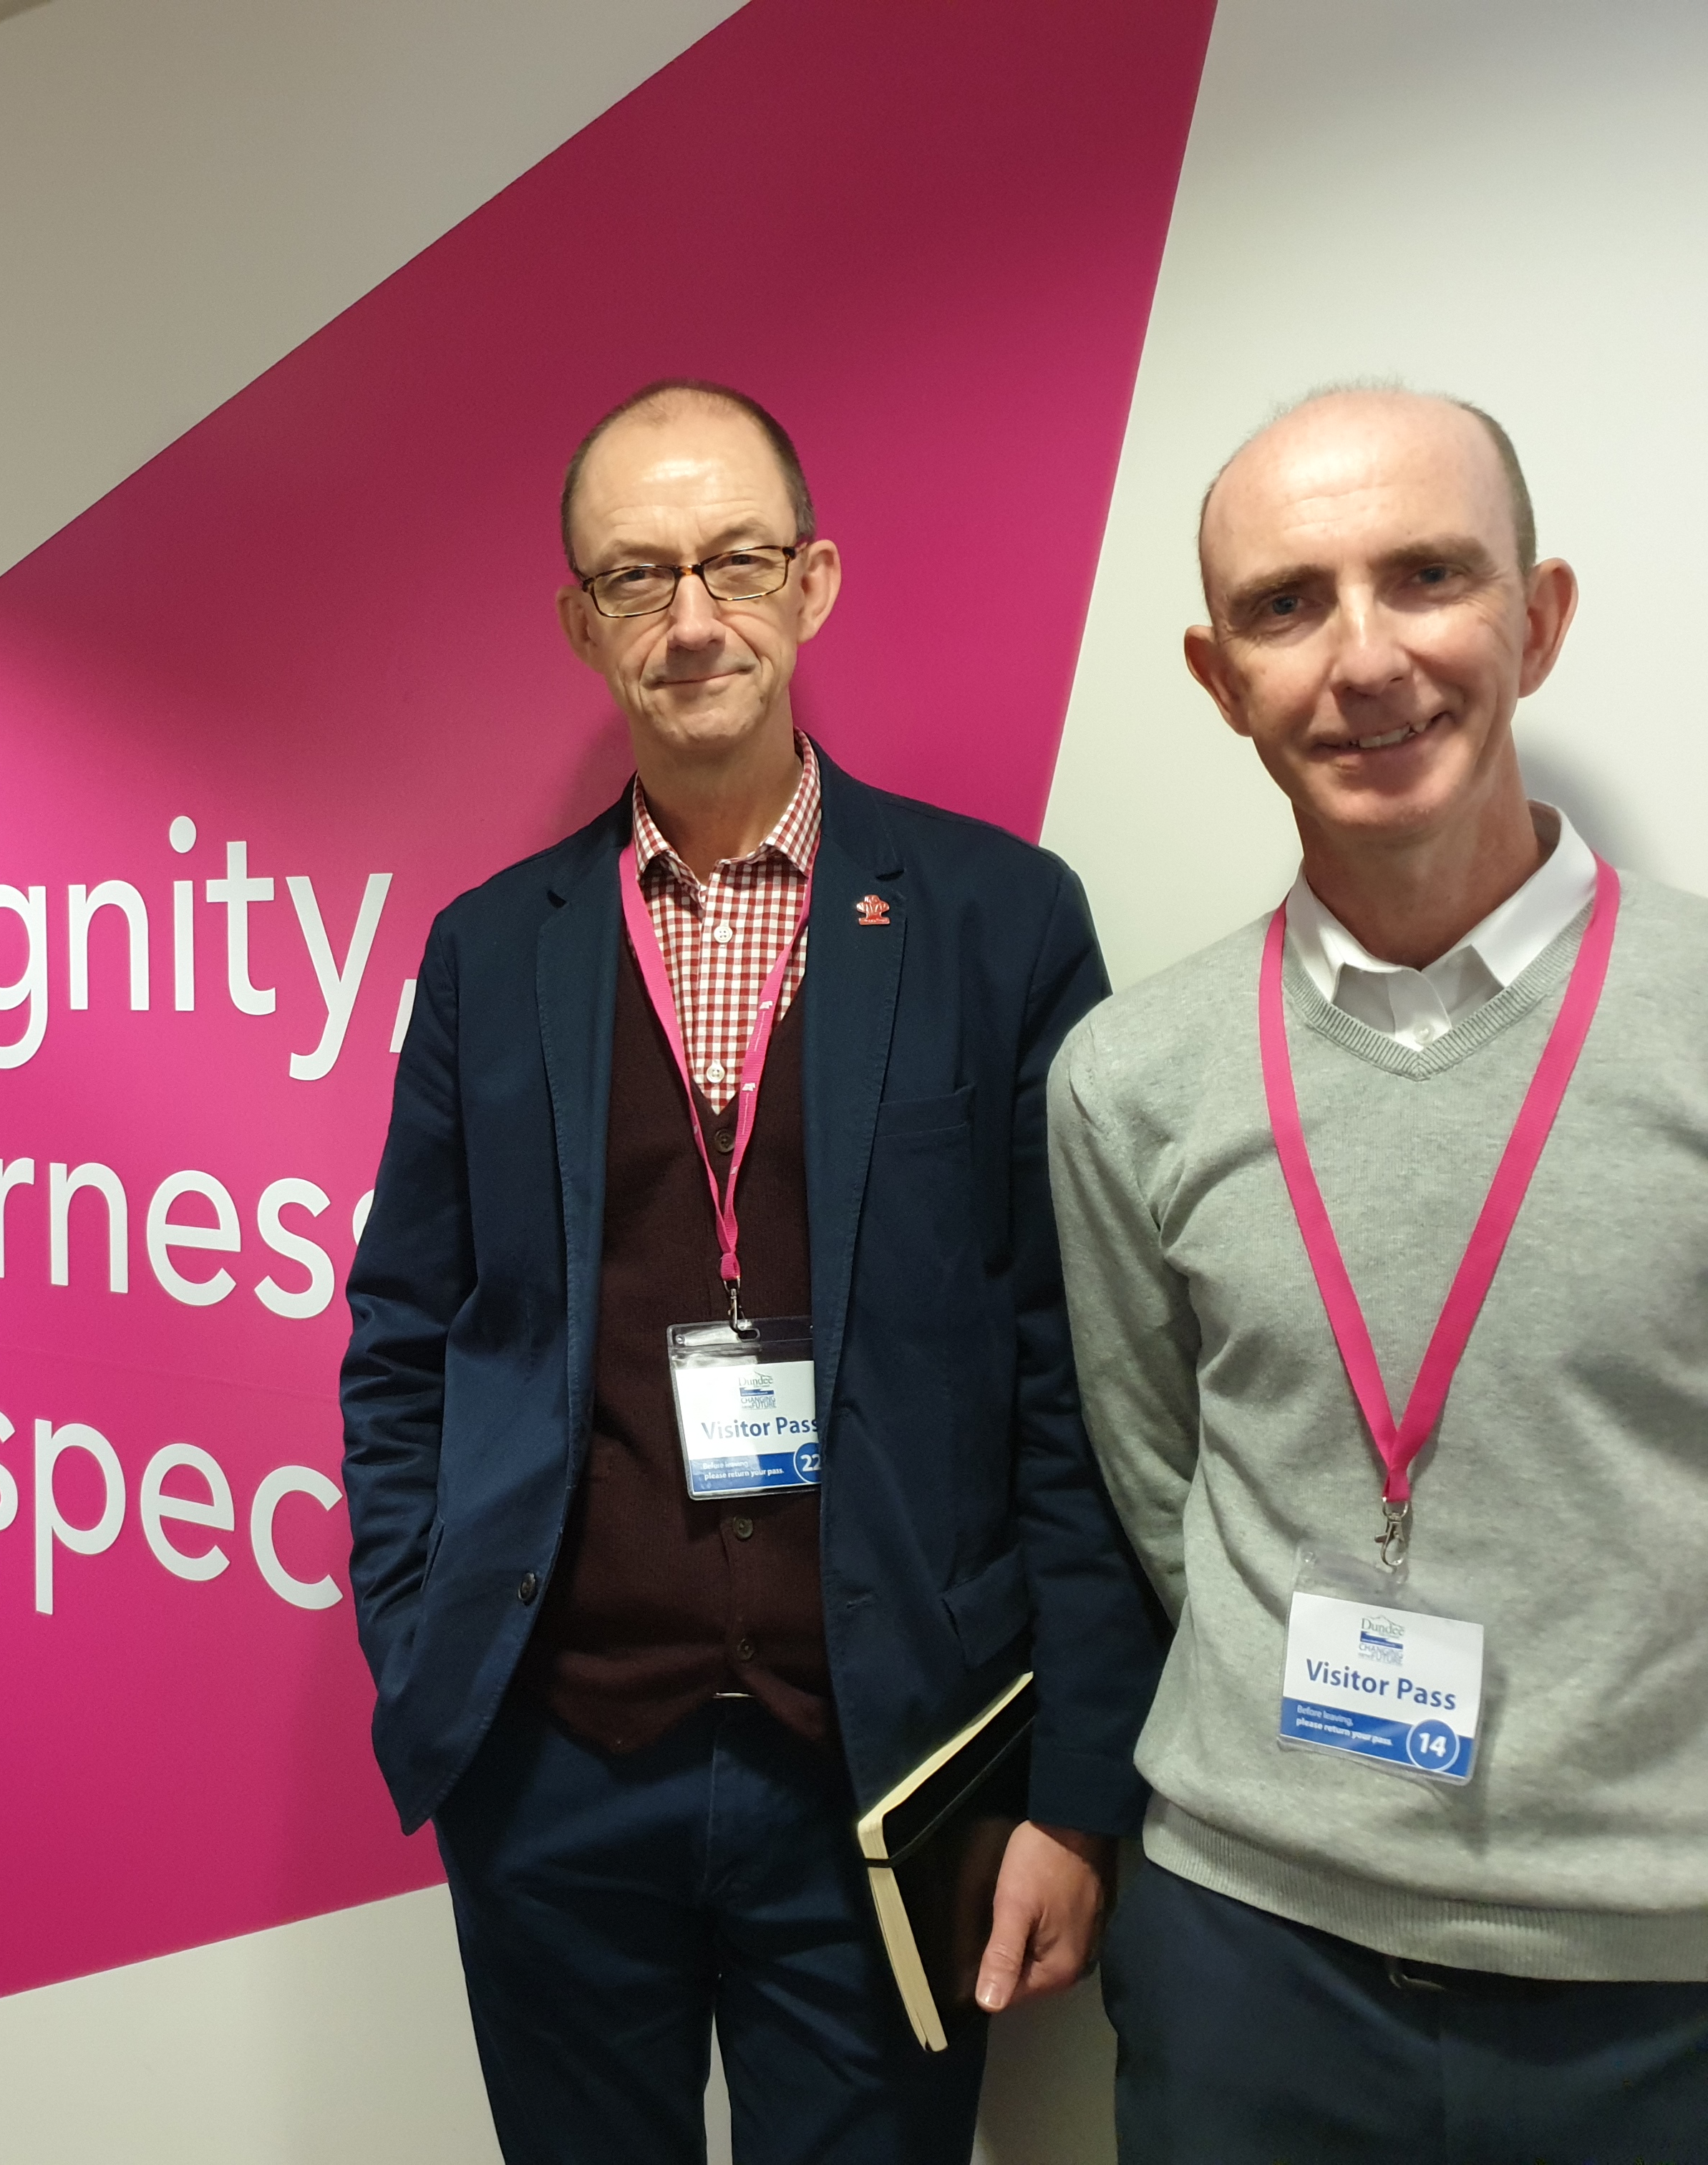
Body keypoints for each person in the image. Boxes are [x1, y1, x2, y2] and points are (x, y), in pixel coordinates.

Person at [338, 379, 1165, 2163]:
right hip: (553, 1773)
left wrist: (1077, 1795)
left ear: (815, 583)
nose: (692, 616)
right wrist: (420, 1645)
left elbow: (1078, 1382)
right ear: (581, 622)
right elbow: (405, 1328)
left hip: (885, 1779)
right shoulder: (492, 953)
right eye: (638, 577)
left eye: (737, 560)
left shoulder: (1002, 925)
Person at [1050, 386, 1708, 2160]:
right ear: (1216, 677)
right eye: (1286, 604)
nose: (1364, 659)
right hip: (1247, 1961)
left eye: (1426, 576)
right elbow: (1160, 1483)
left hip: (1659, 1980)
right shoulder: (1132, 1078)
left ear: (1538, 618)